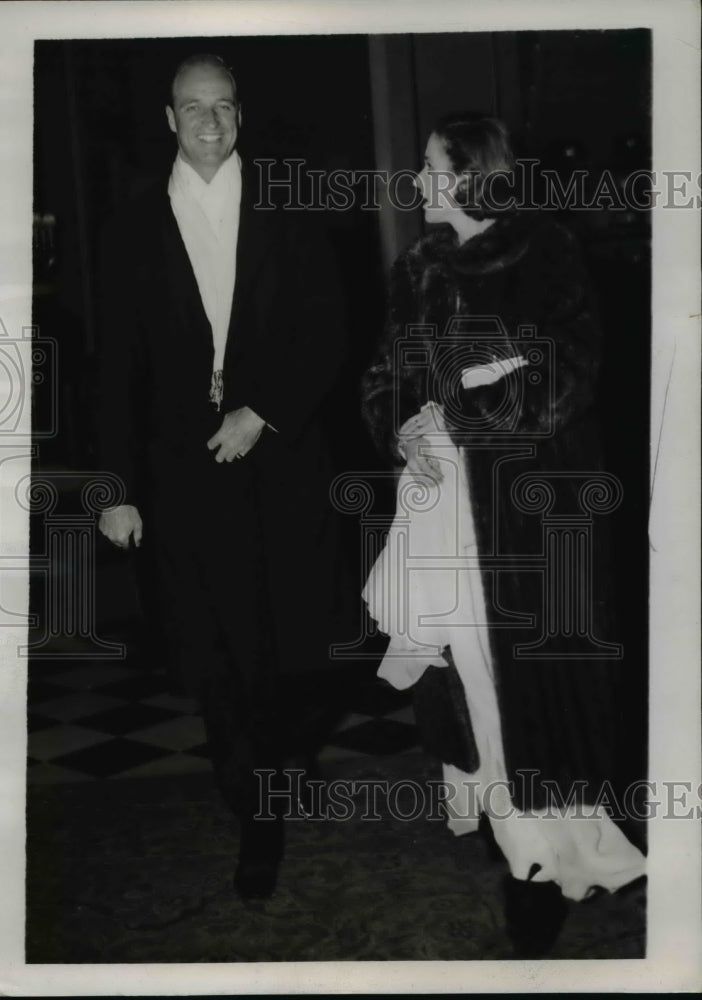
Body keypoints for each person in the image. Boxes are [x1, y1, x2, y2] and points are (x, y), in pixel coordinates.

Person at [361, 113, 645, 955]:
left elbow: (569, 374)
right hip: (443, 502)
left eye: (431, 167)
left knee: (528, 682)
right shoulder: (416, 268)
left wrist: (461, 405)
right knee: (461, 672)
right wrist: (400, 428)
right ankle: (506, 829)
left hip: (526, 512)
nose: (418, 180)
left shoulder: (544, 251)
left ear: (472, 172)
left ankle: (549, 857)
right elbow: (388, 373)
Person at [95, 54, 349, 900]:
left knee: (299, 650)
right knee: (219, 652)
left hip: (280, 457)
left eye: (224, 107)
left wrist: (261, 409)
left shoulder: (289, 202)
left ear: (242, 116)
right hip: (181, 475)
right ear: (169, 120)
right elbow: (115, 366)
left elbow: (330, 325)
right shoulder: (133, 222)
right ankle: (255, 811)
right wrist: (119, 487)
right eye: (193, 108)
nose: (210, 123)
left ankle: (284, 755)